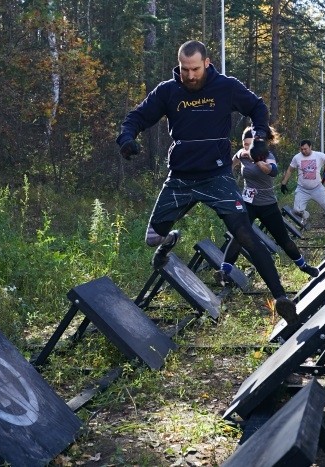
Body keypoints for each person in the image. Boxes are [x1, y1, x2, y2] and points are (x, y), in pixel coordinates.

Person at [116, 40, 298, 323]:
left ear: (207, 63)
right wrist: (127, 138)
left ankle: (281, 297)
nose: (190, 76)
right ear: (179, 66)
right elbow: (137, 117)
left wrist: (260, 137)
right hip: (181, 177)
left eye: (195, 69)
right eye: (185, 69)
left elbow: (257, 107)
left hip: (217, 176)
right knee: (152, 238)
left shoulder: (225, 86)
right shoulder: (167, 91)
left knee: (244, 233)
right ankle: (169, 240)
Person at [214, 127, 320, 286]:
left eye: (250, 145)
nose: (247, 148)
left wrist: (256, 160)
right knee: (238, 236)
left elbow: (272, 171)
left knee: (284, 240)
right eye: (244, 145)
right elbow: (230, 166)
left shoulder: (267, 156)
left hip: (268, 205)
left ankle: (303, 266)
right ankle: (224, 272)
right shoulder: (242, 154)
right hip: (248, 203)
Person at [279, 140, 325, 234]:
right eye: (301, 149)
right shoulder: (297, 157)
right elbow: (290, 170)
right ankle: (305, 215)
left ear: (310, 147)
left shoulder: (318, 155)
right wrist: (284, 183)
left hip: (317, 189)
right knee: (296, 210)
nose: (303, 151)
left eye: (305, 149)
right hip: (302, 189)